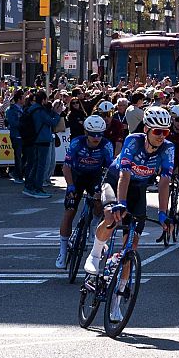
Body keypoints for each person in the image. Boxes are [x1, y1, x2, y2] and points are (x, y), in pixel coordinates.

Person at [85, 107, 176, 325]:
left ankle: (117, 298)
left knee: (131, 245)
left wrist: (163, 213)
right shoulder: (133, 141)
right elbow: (124, 175)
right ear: (146, 129)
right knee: (110, 215)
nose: (162, 136)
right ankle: (96, 254)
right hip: (116, 180)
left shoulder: (168, 149)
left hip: (138, 189)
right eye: (157, 132)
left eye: (166, 132)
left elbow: (164, 183)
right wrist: (120, 203)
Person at [56, 114, 115, 270]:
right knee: (69, 210)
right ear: (85, 132)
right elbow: (66, 166)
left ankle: (94, 223)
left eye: (99, 134)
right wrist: (70, 187)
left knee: (98, 202)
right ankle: (62, 251)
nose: (96, 138)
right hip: (77, 175)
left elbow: (111, 169)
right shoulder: (77, 143)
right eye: (92, 134)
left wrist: (104, 188)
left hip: (95, 176)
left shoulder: (106, 145)